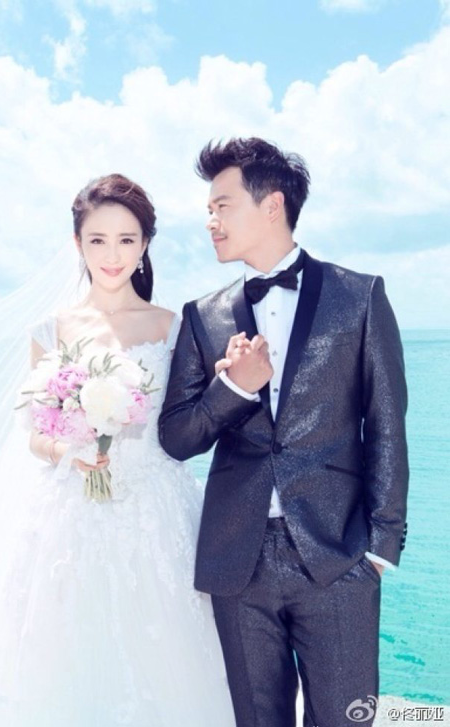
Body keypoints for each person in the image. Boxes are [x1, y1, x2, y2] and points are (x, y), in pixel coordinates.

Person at [0, 174, 235, 727]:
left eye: (127, 239)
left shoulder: (174, 328)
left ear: (145, 244)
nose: (112, 255)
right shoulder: (49, 329)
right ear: (77, 243)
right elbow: (34, 433)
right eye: (98, 240)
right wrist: (66, 451)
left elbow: (187, 426)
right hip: (66, 514)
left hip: (156, 513)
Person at [159, 138, 409, 727]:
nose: (210, 221)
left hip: (337, 555)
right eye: (208, 209)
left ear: (272, 205)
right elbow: (177, 438)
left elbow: (387, 425)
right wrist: (234, 388)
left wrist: (380, 549)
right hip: (236, 562)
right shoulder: (202, 315)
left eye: (222, 206)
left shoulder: (359, 296)